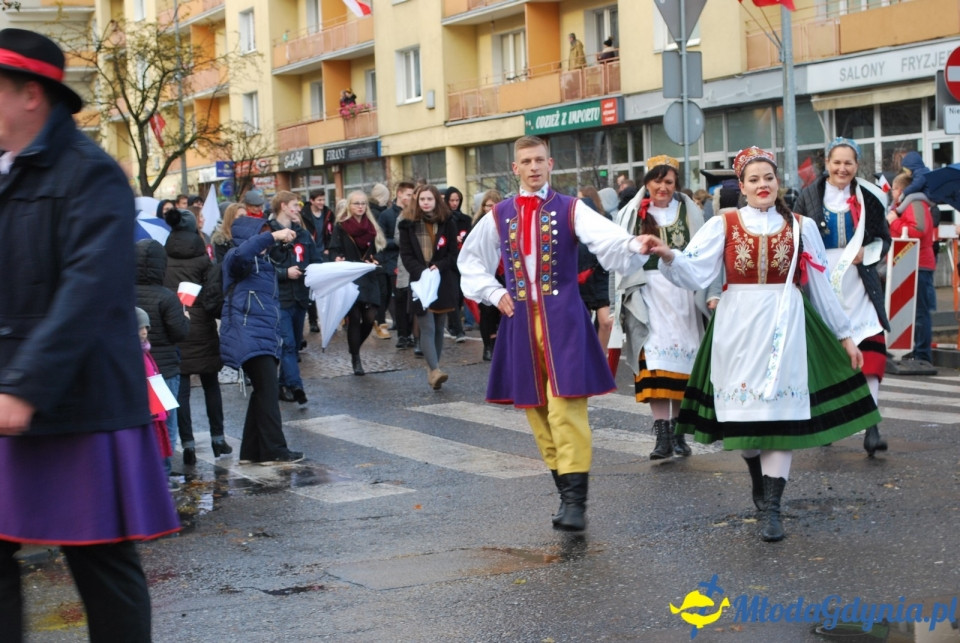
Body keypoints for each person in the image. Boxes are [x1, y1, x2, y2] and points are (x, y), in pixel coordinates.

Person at [0, 28, 180, 641]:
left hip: (81, 401)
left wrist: (26, 385)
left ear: (30, 94)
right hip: (10, 390)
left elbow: (87, 290)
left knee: (100, 559)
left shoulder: (92, 173)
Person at [640, 146, 881, 542]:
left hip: (786, 325)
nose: (762, 184)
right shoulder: (724, 223)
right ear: (742, 186)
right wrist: (669, 254)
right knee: (745, 423)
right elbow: (694, 271)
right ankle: (756, 474)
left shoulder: (801, 226)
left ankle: (772, 507)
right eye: (753, 179)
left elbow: (821, 286)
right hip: (737, 329)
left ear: (776, 182)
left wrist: (845, 335)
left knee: (779, 419)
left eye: (768, 177)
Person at [458, 135, 650, 532]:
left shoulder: (571, 208)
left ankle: (576, 502)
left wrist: (633, 242)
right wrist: (494, 293)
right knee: (536, 409)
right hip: (520, 323)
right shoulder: (500, 214)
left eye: (539, 160)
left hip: (563, 319)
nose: (532, 167)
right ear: (515, 169)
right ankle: (566, 495)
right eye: (525, 161)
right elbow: (471, 261)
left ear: (551, 164)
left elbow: (606, 238)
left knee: (566, 407)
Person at [793, 137, 891, 458]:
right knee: (828, 354)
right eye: (837, 162)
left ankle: (872, 427)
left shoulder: (870, 198)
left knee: (871, 349)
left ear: (856, 166)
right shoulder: (808, 196)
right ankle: (829, 420)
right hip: (822, 282)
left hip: (858, 282)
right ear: (827, 163)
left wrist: (869, 251)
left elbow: (883, 240)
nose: (842, 168)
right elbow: (793, 236)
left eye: (848, 163)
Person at [611, 156, 713, 460]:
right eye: (657, 181)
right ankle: (662, 435)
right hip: (649, 294)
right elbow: (618, 256)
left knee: (683, 366)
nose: (663, 187)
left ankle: (680, 434)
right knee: (654, 361)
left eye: (669, 182)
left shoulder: (689, 213)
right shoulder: (632, 215)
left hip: (683, 295)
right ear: (647, 183)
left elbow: (705, 252)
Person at [220, 216, 304, 464]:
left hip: (263, 334)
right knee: (268, 391)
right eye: (262, 234)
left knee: (262, 391)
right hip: (247, 334)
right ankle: (275, 450)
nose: (268, 239)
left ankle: (251, 451)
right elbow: (242, 254)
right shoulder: (235, 258)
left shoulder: (262, 262)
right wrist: (273, 236)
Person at [162, 209, 232, 462]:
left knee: (181, 391)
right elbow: (213, 296)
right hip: (202, 327)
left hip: (176, 326)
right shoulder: (204, 259)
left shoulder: (163, 256)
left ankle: (188, 445)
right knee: (211, 385)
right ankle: (218, 440)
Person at [135, 238, 190, 469]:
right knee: (166, 425)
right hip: (164, 370)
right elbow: (180, 333)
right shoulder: (167, 297)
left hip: (134, 369)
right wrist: (185, 318)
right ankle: (163, 473)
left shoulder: (122, 294)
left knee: (140, 425)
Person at [399, 185, 461, 389]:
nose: (425, 202)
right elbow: (406, 256)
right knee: (427, 326)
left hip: (442, 280)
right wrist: (421, 271)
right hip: (420, 281)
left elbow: (453, 254)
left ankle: (432, 367)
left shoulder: (448, 222)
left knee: (439, 327)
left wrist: (439, 266)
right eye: (422, 199)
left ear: (436, 201)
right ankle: (435, 370)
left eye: (429, 199)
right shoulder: (407, 224)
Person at [268, 191, 317, 405]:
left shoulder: (302, 233)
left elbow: (314, 258)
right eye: (294, 205)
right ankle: (297, 386)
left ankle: (281, 386)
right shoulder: (268, 232)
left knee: (294, 344)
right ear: (282, 206)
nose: (298, 208)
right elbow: (263, 266)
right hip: (279, 297)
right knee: (287, 344)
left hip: (299, 297)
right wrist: (284, 273)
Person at [329, 190, 386, 376]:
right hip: (350, 276)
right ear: (349, 206)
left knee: (370, 318)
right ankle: (356, 358)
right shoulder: (341, 226)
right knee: (354, 318)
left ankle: (354, 348)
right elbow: (333, 249)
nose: (360, 207)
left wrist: (376, 259)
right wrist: (337, 258)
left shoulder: (372, 225)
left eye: (363, 203)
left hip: (368, 276)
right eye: (356, 203)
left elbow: (381, 248)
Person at [888, 172, 938, 365]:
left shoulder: (914, 204)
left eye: (893, 189)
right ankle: (917, 350)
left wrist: (894, 221)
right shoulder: (907, 205)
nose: (891, 193)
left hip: (919, 264)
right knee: (915, 311)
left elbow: (917, 230)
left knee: (920, 312)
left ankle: (923, 353)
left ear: (900, 190)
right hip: (910, 263)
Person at [136, 307, 175, 488]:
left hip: (156, 411)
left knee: (159, 450)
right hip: (149, 413)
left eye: (146, 328)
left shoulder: (145, 352)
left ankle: (160, 482)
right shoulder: (136, 355)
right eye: (139, 328)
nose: (144, 332)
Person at [577, 186, 614, 354]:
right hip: (581, 278)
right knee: (581, 325)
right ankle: (586, 359)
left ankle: (600, 358)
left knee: (606, 321)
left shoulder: (606, 220)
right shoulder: (574, 222)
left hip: (601, 276)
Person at [381, 182, 416, 349]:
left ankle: (414, 333)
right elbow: (386, 239)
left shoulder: (418, 213)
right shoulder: (388, 215)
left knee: (414, 299)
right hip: (396, 262)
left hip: (414, 263)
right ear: (400, 194)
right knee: (401, 298)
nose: (411, 198)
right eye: (408, 194)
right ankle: (403, 334)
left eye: (412, 195)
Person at [470, 190, 504, 361]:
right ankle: (488, 346)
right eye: (488, 205)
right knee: (487, 310)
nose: (491, 209)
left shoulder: (504, 223)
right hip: (484, 272)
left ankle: (499, 342)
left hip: (502, 272)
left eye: (495, 205)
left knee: (501, 309)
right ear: (483, 207)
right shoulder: (478, 225)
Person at [443, 186, 472, 342]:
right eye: (451, 200)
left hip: (464, 261)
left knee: (461, 296)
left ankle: (453, 323)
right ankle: (458, 330)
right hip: (450, 262)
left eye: (457, 200)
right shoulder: (444, 219)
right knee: (453, 295)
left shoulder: (465, 219)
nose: (454, 203)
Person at [370, 183, 394, 339]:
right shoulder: (374, 213)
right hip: (378, 257)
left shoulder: (384, 212)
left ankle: (379, 321)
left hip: (385, 257)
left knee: (386, 292)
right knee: (382, 291)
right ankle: (379, 322)